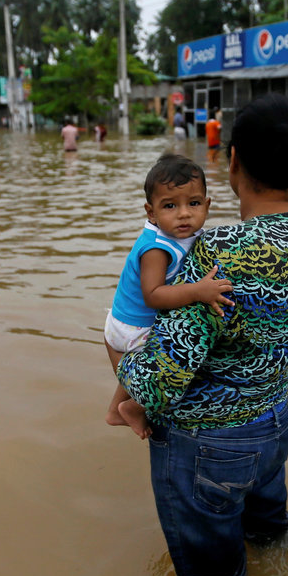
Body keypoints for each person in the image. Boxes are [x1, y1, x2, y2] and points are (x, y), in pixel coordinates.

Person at [118, 94, 288, 576]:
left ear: (232, 160)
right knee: (274, 538)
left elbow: (162, 376)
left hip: (211, 446)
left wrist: (121, 360)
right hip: (276, 421)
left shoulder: (219, 252)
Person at [105, 154, 234, 439]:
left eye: (194, 203)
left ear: (208, 205)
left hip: (121, 322)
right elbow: (153, 295)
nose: (184, 213)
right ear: (151, 213)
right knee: (179, 362)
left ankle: (117, 409)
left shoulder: (180, 233)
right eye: (170, 206)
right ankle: (137, 406)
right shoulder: (156, 247)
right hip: (134, 329)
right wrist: (198, 291)